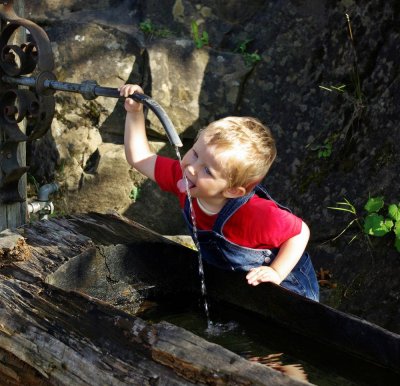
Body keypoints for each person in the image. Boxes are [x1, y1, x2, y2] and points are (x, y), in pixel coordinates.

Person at [119, 84, 319, 302]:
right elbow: (140, 158)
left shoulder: (254, 214)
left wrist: (277, 272)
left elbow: (299, 233)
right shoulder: (185, 179)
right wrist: (134, 113)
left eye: (207, 170)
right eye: (194, 153)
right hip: (241, 283)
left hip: (289, 286)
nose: (192, 167)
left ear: (233, 190)